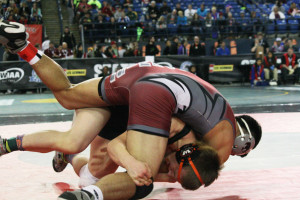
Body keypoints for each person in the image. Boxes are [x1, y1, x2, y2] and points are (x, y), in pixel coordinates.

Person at [0, 20, 262, 200]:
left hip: (145, 75)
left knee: (68, 102)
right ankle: (90, 194)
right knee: (141, 179)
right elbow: (172, 168)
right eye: (243, 150)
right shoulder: (216, 146)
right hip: (156, 95)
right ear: (243, 140)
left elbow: (168, 156)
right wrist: (138, 167)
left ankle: (23, 45)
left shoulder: (210, 121)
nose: (234, 155)